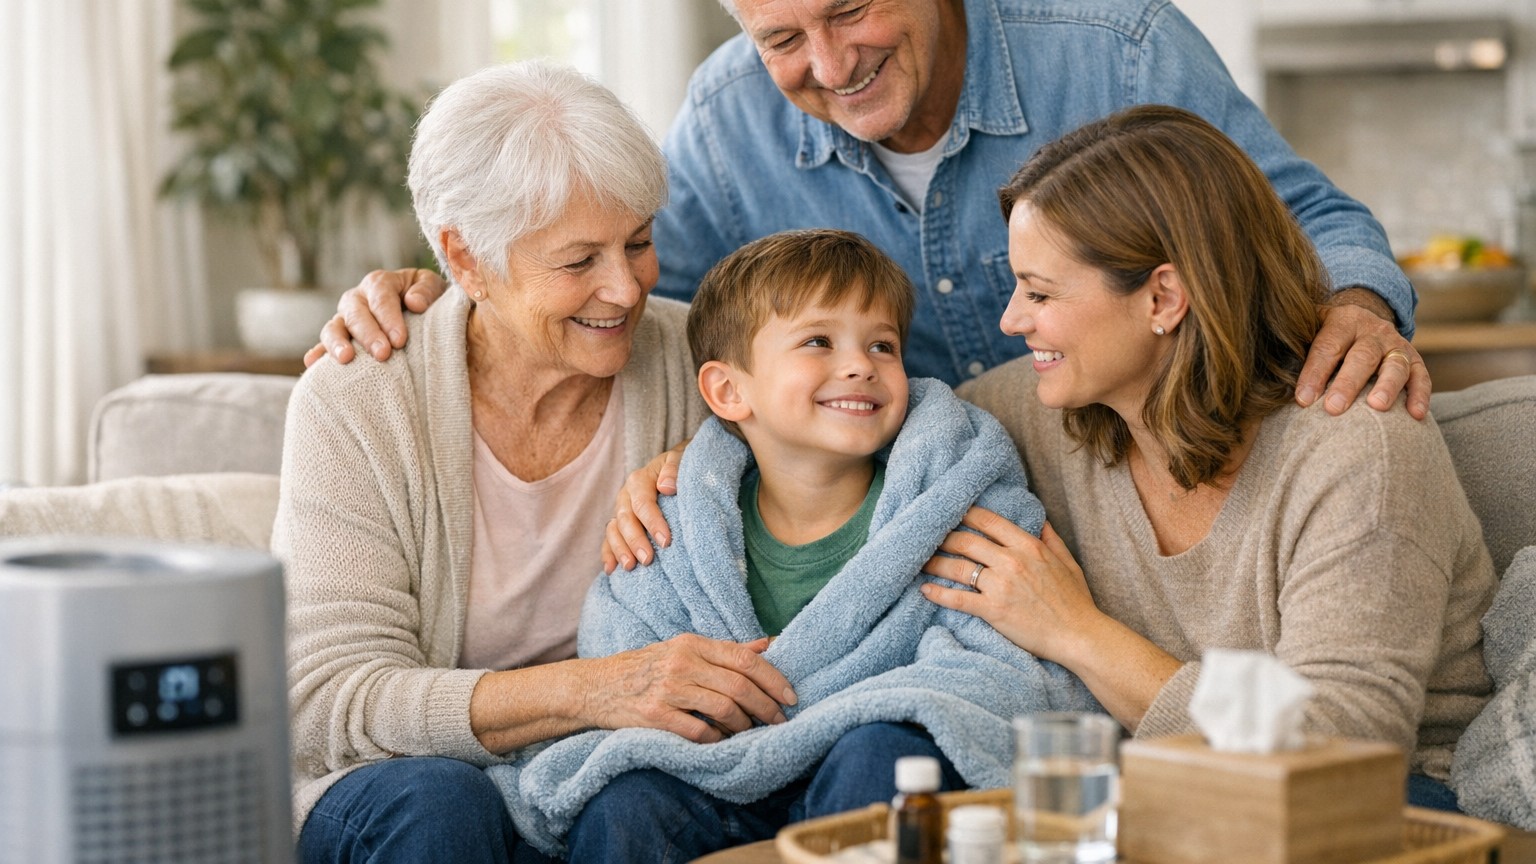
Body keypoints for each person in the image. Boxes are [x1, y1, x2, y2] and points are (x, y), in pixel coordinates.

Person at [312, 0, 1429, 427]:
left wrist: (1363, 308)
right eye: (783, 38)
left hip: (1139, 478)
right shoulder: (731, 117)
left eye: (852, 9)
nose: (833, 65)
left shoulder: (1113, 47)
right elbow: (637, 305)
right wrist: (452, 293)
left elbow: (1310, 221)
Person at [275, 61, 796, 864]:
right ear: (466, 258)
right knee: (442, 802)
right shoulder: (359, 399)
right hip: (402, 787)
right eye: (579, 260)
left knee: (643, 801)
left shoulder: (701, 370)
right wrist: (600, 690)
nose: (624, 289)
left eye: (639, 242)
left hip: (610, 771)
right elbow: (326, 700)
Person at [926, 104, 1495, 810]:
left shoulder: (1359, 447)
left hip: (1388, 817)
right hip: (1170, 799)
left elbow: (1340, 746)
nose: (1013, 320)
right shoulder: (1047, 408)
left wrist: (1078, 633)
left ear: (1163, 296)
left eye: (1040, 292)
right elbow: (869, 451)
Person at [483, 228, 1092, 861]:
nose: (860, 364)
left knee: (882, 755)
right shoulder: (674, 530)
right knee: (626, 801)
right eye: (818, 342)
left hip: (867, 761)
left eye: (883, 345)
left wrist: (869, 711)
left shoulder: (949, 501)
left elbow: (1002, 664)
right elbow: (626, 650)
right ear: (728, 392)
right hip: (712, 774)